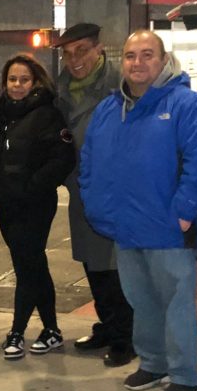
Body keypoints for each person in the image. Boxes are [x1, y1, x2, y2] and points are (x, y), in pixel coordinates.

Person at [80, 30, 197, 391]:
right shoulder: (110, 109)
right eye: (130, 56)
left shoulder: (188, 106)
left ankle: (185, 376)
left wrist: (184, 212)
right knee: (141, 302)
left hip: (169, 230)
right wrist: (97, 207)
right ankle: (154, 363)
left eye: (147, 55)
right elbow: (90, 163)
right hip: (126, 227)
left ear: (163, 60)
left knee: (176, 304)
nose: (137, 63)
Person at [53, 22, 135, 367]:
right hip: (80, 187)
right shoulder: (60, 88)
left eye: (82, 51)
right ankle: (107, 325)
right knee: (91, 261)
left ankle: (125, 337)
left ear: (99, 49)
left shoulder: (121, 87)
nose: (75, 60)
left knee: (115, 266)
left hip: (115, 191)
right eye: (68, 54)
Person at [0, 54, 75, 360]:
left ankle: (16, 331)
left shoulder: (47, 113)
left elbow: (62, 158)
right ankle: (52, 330)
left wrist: (32, 186)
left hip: (35, 204)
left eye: (24, 79)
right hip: (8, 205)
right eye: (13, 79)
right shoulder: (0, 114)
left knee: (27, 266)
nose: (18, 85)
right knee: (33, 265)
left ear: (35, 81)